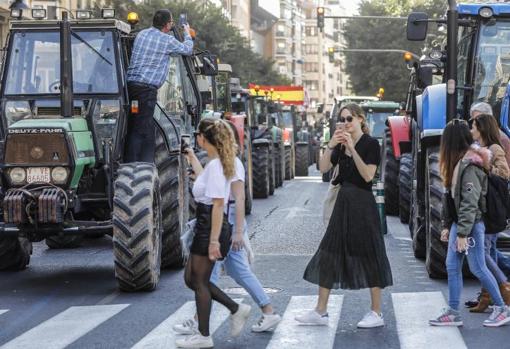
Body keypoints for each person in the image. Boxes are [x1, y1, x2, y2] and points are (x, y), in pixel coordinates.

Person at [173, 123, 281, 336]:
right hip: (223, 219)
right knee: (231, 271)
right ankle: (266, 311)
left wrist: (238, 231)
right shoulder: (219, 162)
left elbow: (237, 198)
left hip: (226, 220)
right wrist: (193, 158)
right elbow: (210, 184)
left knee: (208, 275)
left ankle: (202, 321)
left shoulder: (233, 163)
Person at [296, 103, 393, 328]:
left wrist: (352, 147)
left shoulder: (370, 144)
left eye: (349, 119)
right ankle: (320, 311)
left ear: (360, 119)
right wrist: (331, 145)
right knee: (329, 252)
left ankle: (376, 312)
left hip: (362, 204)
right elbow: (322, 168)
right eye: (342, 120)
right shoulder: (339, 144)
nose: (346, 123)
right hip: (343, 203)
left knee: (370, 254)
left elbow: (368, 175)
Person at [176, 118, 251, 348]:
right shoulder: (213, 164)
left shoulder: (217, 166)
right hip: (205, 222)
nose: (196, 138)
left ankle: (204, 336)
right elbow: (204, 184)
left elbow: (218, 204)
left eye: (198, 134)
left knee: (199, 281)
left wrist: (213, 241)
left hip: (210, 225)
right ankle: (235, 308)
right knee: (192, 279)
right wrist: (191, 157)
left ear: (203, 138)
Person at [430, 119, 510, 327]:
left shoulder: (471, 164)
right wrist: (448, 225)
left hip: (472, 225)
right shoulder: (459, 162)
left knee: (478, 267)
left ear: (451, 141)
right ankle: (453, 312)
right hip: (463, 224)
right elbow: (450, 198)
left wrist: (463, 234)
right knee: (453, 265)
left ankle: (502, 308)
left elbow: (470, 204)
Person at [125, 9, 193, 163]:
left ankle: (142, 162)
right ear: (167, 25)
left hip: (131, 88)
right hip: (146, 91)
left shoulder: (141, 34)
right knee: (141, 129)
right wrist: (187, 33)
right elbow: (187, 49)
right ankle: (135, 164)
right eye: (171, 22)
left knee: (137, 125)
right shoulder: (166, 40)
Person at [468, 114, 510, 312]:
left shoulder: (494, 149)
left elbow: (504, 174)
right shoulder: (480, 148)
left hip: (491, 208)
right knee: (490, 250)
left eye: (474, 126)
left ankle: (503, 288)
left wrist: (484, 164)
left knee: (483, 252)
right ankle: (488, 297)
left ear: (482, 129)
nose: (471, 130)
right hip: (486, 206)